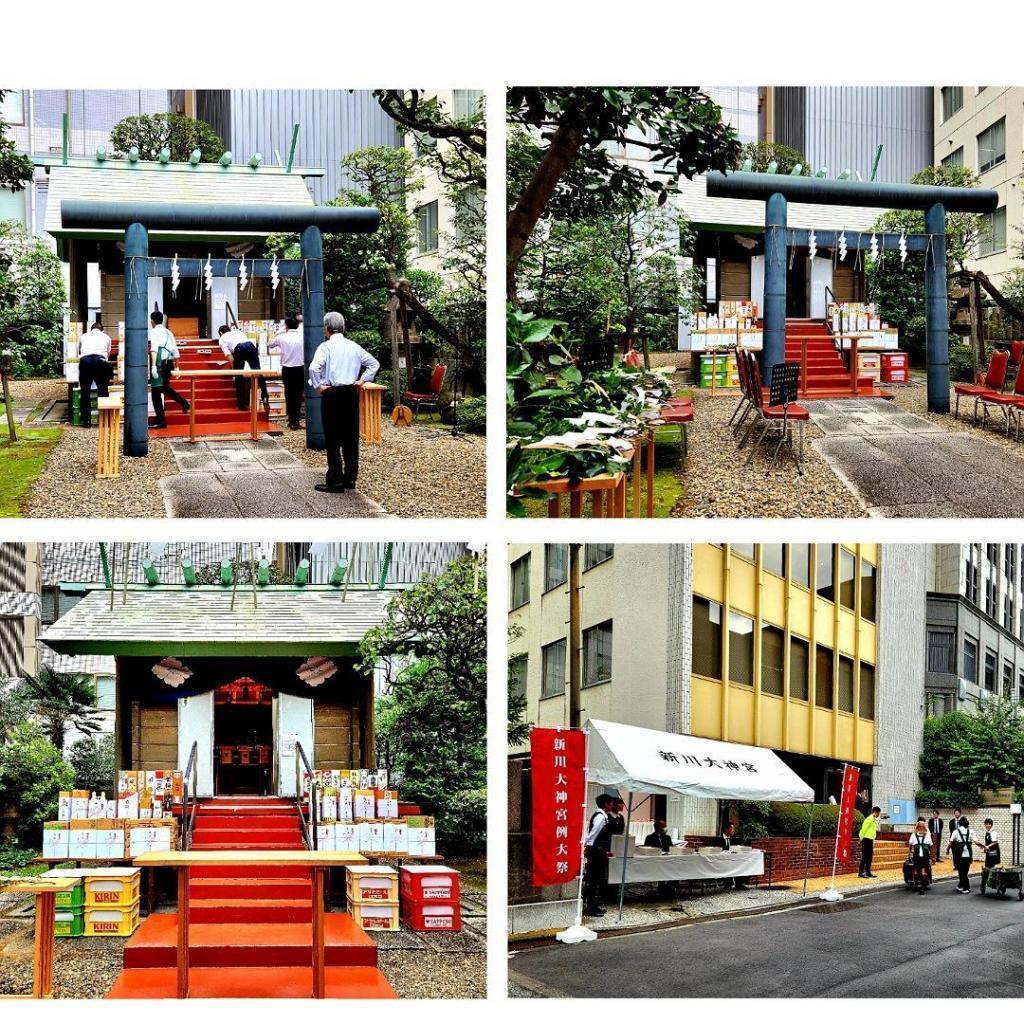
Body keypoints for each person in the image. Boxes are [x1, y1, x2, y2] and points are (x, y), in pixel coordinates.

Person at [308, 311, 380, 493]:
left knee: (332, 437)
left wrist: (319, 385)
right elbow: (374, 363)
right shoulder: (354, 346)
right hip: (350, 393)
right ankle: (350, 479)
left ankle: (335, 480)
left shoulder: (325, 347)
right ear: (343, 327)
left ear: (326, 329)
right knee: (351, 436)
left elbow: (313, 368)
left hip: (332, 394)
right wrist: (363, 380)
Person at [149, 312, 189, 428]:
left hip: (159, 363)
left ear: (152, 321)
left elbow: (154, 349)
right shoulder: (168, 332)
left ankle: (161, 420)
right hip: (168, 363)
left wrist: (153, 366)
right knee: (165, 388)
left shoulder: (154, 332)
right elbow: (175, 351)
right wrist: (177, 366)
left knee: (156, 392)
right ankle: (184, 403)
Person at [219, 323, 269, 412]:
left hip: (239, 349)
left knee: (239, 376)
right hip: (250, 346)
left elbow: (229, 356)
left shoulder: (222, 339)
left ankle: (241, 404)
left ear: (221, 333)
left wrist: (234, 369)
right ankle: (265, 399)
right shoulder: (238, 332)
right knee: (258, 372)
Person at [268, 315, 305, 429]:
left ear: (286, 326)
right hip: (300, 368)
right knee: (298, 395)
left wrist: (279, 332)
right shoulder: (302, 337)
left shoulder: (282, 337)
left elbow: (270, 344)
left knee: (289, 394)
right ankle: (296, 420)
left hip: (287, 369)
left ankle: (291, 419)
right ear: (298, 325)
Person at [583, 794, 614, 917]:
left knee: (596, 880)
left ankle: (593, 905)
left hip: (598, 851)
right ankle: (590, 907)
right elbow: (592, 835)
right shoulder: (600, 818)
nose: (612, 805)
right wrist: (588, 848)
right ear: (606, 804)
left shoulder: (602, 816)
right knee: (593, 879)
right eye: (611, 803)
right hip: (595, 852)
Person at [77, 321, 111, 427]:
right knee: (103, 389)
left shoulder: (83, 337)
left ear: (91, 329)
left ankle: (86, 421)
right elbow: (108, 353)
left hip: (85, 360)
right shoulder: (106, 337)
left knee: (85, 390)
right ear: (102, 330)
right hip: (100, 361)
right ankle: (105, 419)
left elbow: (79, 351)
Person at [947, 815, 977, 893]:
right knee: (965, 871)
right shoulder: (971, 831)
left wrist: (947, 850)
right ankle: (960, 885)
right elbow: (976, 842)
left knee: (961, 871)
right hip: (968, 854)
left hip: (958, 854)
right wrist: (984, 846)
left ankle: (966, 887)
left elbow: (950, 843)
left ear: (959, 824)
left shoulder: (956, 832)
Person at [715, 822, 748, 889]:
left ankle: (739, 883)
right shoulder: (718, 839)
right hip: (721, 860)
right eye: (732, 828)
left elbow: (737, 848)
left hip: (732, 859)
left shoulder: (734, 839)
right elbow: (716, 850)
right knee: (727, 864)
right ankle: (727, 883)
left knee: (740, 863)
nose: (733, 830)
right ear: (726, 829)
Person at [907, 818, 932, 894]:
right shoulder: (927, 835)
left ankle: (915, 885)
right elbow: (930, 845)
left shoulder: (913, 835)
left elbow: (910, 844)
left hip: (916, 855)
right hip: (925, 855)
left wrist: (910, 852)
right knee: (924, 869)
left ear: (916, 827)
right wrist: (931, 856)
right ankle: (922, 887)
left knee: (916, 869)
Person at [977, 818, 1001, 894]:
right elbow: (987, 842)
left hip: (993, 851)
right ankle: (989, 882)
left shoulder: (993, 832)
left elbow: (995, 842)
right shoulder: (987, 832)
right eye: (986, 824)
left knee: (990, 866)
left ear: (991, 825)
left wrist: (987, 847)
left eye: (989, 824)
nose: (987, 825)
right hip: (989, 851)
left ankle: (990, 882)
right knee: (989, 866)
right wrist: (984, 847)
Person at [858, 805, 882, 878]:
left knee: (869, 857)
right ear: (875, 812)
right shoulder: (869, 819)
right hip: (866, 839)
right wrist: (861, 838)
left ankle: (868, 872)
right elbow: (864, 828)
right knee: (864, 857)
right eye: (879, 813)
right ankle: (861, 873)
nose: (879, 815)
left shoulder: (874, 819)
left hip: (870, 839)